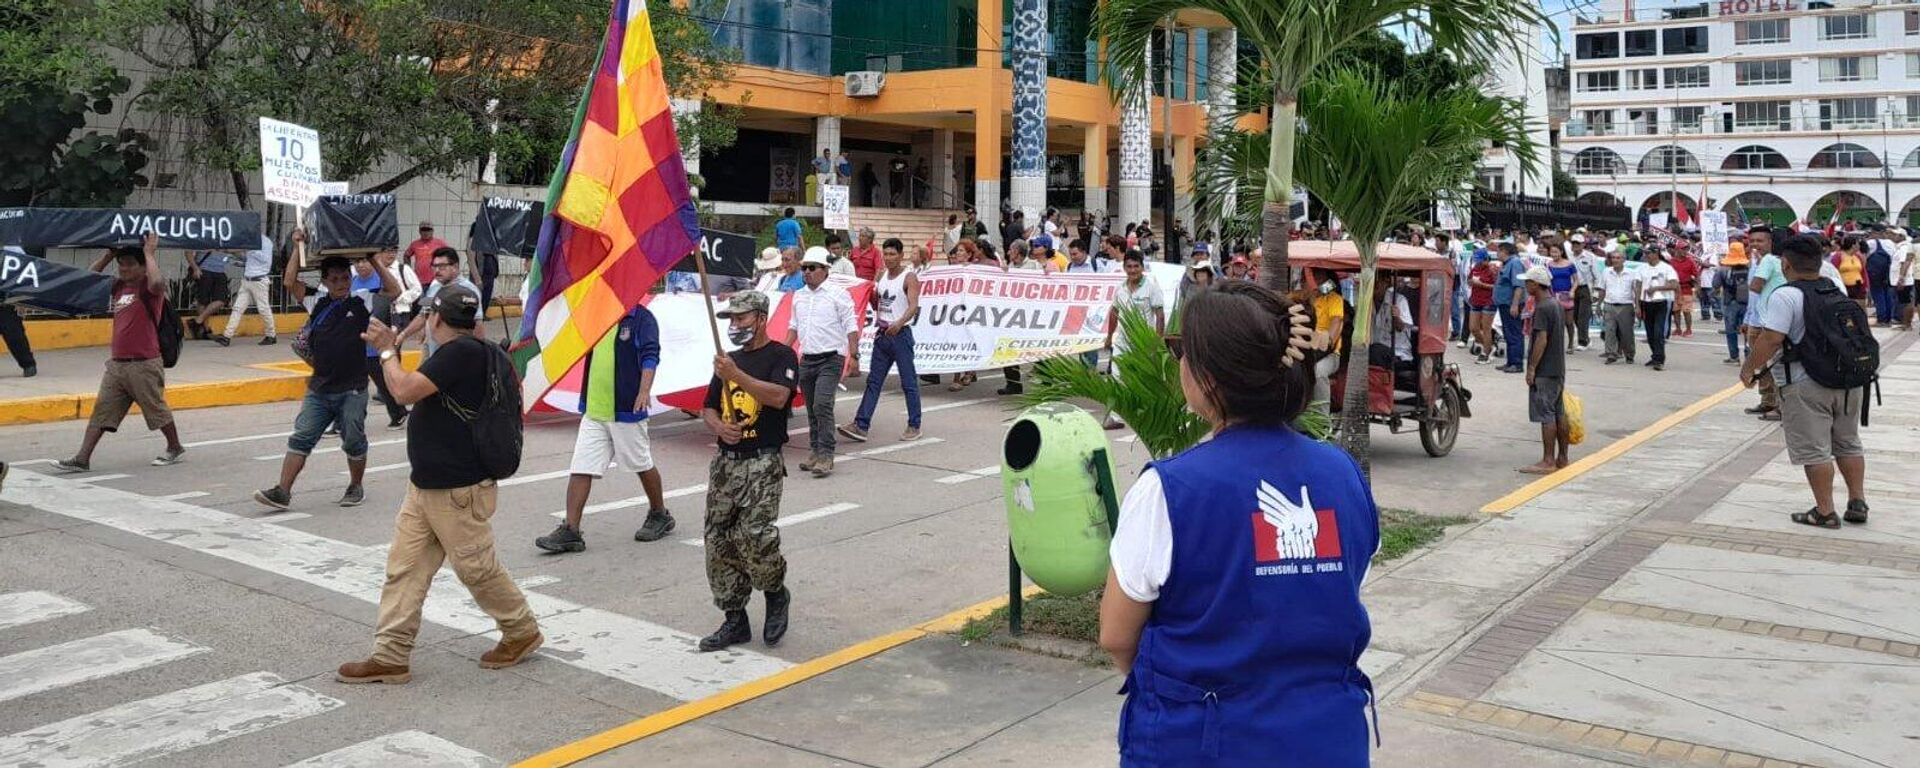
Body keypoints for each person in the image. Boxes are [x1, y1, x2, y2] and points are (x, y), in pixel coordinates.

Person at [1099, 281, 1379, 767]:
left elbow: (1118, 637)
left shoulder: (1169, 490)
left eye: (1180, 351)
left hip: (1201, 744)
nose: (1177, 362)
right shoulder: (1344, 475)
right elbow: (1337, 590)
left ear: (1208, 377)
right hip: (1326, 741)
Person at [337, 284, 543, 684]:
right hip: (428, 485)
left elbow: (403, 389)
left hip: (456, 490)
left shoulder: (461, 353)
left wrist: (385, 349)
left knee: (477, 570)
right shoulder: (474, 351)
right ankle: (391, 655)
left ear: (436, 319)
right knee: (405, 569)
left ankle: (521, 631)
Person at [1739, 234, 1871, 530]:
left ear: (1785, 263)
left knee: (1815, 450)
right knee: (1848, 442)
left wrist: (1749, 369)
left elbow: (1772, 338)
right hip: (1848, 381)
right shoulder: (1834, 287)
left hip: (1806, 382)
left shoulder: (1786, 295)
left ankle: (1825, 512)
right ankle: (1857, 501)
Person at [253, 253, 396, 510]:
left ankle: (355, 485)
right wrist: (298, 247)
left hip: (353, 388)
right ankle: (282, 491)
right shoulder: (316, 301)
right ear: (325, 282)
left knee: (353, 439)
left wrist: (373, 259)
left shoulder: (361, 300)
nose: (341, 283)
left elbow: (394, 290)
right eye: (335, 279)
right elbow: (288, 281)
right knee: (301, 438)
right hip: (319, 388)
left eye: (344, 278)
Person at [535, 301, 675, 553]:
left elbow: (650, 356)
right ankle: (571, 530)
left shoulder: (642, 319)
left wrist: (644, 391)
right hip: (594, 409)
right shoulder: (598, 314)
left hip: (626, 408)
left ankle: (659, 513)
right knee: (581, 466)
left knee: (640, 463)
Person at [701, 290, 796, 651]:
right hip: (726, 463)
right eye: (731, 319)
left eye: (741, 318)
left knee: (756, 536)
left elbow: (778, 397)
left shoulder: (780, 355)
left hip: (762, 461)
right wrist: (717, 427)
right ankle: (734, 618)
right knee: (718, 540)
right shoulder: (728, 360)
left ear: (760, 317)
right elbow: (707, 408)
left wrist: (736, 374)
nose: (735, 325)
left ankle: (775, 592)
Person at [53, 233, 186, 472]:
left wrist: (149, 253)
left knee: (155, 410)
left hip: (143, 362)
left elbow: (158, 283)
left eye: (130, 264)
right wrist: (108, 255)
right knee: (102, 411)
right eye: (121, 264)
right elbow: (88, 280)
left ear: (142, 267)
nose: (124, 268)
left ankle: (174, 446)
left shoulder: (148, 288)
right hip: (117, 364)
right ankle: (82, 458)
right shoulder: (119, 287)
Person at [840, 238, 923, 444]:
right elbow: (878, 303)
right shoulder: (882, 276)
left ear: (901, 255)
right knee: (873, 382)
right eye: (885, 254)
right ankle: (861, 424)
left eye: (893, 254)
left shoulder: (909, 277)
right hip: (882, 334)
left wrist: (900, 321)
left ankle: (914, 425)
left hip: (900, 335)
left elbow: (914, 306)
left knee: (908, 382)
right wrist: (869, 296)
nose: (888, 258)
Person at [788, 247, 859, 477]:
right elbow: (793, 327)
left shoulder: (838, 294)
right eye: (804, 268)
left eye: (812, 268)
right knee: (811, 409)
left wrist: (854, 356)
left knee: (822, 405)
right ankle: (815, 451)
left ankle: (826, 454)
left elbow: (851, 326)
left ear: (825, 270)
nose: (806, 272)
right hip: (807, 359)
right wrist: (780, 350)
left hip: (831, 358)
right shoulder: (799, 295)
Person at [1104, 251, 1166, 429]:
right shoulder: (1120, 288)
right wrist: (1109, 337)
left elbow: (1159, 315)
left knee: (1143, 378)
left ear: (1142, 267)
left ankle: (1149, 414)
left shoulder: (1151, 287)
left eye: (1136, 266)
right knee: (1116, 377)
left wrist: (1157, 341)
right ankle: (1114, 417)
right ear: (1124, 268)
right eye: (1129, 266)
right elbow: (1114, 313)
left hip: (1143, 343)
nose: (1132, 270)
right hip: (1122, 342)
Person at [1521, 266, 1570, 475]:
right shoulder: (1556, 305)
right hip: (1558, 368)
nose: (1525, 285)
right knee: (1559, 412)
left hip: (1545, 369)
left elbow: (1541, 339)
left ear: (1535, 284)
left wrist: (1532, 367)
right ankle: (1562, 457)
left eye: (1527, 282)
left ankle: (1548, 459)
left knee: (1546, 414)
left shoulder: (1542, 307)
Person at [354, 254, 410, 429]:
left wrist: (395, 331)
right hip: (356, 343)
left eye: (364, 261)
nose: (361, 265)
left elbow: (394, 305)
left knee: (383, 383)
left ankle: (398, 413)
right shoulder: (351, 282)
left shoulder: (382, 281)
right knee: (352, 386)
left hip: (377, 343)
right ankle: (345, 420)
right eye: (357, 261)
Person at [397, 247, 480, 357]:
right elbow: (423, 314)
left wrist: (478, 356)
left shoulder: (469, 290)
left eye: (442, 266)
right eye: (434, 266)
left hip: (455, 353)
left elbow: (478, 325)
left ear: (455, 267)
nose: (437, 270)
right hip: (432, 349)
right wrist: (403, 334)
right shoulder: (435, 284)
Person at [217, 233, 278, 347]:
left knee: (263, 309)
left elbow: (265, 259)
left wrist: (250, 249)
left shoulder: (265, 242)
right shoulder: (251, 241)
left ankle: (271, 335)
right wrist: (235, 254)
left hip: (259, 280)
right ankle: (227, 336)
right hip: (247, 280)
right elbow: (248, 258)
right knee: (237, 308)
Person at [1309, 269, 1346, 408]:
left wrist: (1328, 341)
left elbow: (1336, 322)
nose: (1315, 280)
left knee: (1318, 371)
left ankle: (1323, 420)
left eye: (1319, 277)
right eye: (1313, 277)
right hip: (1307, 348)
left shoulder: (1334, 299)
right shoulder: (1308, 299)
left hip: (1329, 353)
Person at [1638, 246, 1678, 371]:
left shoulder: (1666, 268)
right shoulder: (1642, 268)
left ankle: (1659, 360)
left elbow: (1674, 284)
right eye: (1646, 253)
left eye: (1649, 253)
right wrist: (1637, 305)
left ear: (1656, 254)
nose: (1647, 255)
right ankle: (1655, 355)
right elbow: (1638, 286)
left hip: (1661, 302)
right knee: (1649, 333)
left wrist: (1656, 288)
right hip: (1646, 302)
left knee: (1658, 332)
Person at [1598, 249, 1639, 365]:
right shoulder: (1606, 272)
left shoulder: (1631, 273)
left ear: (1623, 260)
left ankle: (1629, 354)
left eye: (1618, 258)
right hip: (1609, 304)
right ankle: (1611, 354)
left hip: (1626, 305)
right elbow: (1602, 289)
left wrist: (1637, 306)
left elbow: (1636, 290)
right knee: (1609, 331)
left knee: (1626, 333)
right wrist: (1599, 305)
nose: (1615, 260)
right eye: (1613, 258)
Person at [1494, 242, 1528, 373]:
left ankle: (1517, 363)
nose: (1497, 254)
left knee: (1514, 333)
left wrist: (1515, 304)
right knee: (1508, 334)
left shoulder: (1515, 263)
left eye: (1499, 251)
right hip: (1504, 305)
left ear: (1505, 251)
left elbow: (1518, 285)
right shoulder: (1507, 264)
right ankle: (1510, 361)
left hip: (1512, 305)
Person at [183, 248, 230, 340]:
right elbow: (188, 251)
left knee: (221, 300)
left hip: (220, 271)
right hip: (204, 270)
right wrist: (195, 268)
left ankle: (197, 321)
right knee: (203, 301)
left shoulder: (226, 238)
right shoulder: (204, 236)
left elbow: (236, 251)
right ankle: (204, 330)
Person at [1719, 242, 1752, 365]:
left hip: (1730, 304)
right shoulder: (1750, 270)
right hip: (1747, 303)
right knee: (1747, 331)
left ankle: (1734, 357)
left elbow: (1715, 285)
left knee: (1731, 330)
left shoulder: (1723, 271)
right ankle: (1749, 357)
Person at [1467, 249, 1500, 364]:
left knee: (1486, 328)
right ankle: (1488, 345)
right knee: (1474, 328)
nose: (1479, 263)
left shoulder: (1493, 269)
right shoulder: (1474, 268)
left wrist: (1482, 285)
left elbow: (1496, 286)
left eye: (1481, 260)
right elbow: (1469, 280)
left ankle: (1486, 353)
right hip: (1476, 300)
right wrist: (1470, 282)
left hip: (1488, 301)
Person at [1546, 245, 1580, 349]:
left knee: (1569, 322)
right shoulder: (1547, 265)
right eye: (1552, 252)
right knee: (1555, 322)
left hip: (1566, 295)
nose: (1554, 255)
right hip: (1553, 295)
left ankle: (1570, 343)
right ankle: (1556, 344)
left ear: (1561, 252)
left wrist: (1572, 291)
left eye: (1556, 252)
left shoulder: (1569, 264)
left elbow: (1576, 280)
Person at [1571, 235, 1599, 350]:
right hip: (1571, 288)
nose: (1575, 246)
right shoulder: (1568, 256)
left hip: (1585, 288)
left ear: (1583, 244)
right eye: (1573, 243)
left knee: (1583, 316)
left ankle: (1582, 342)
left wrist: (1596, 293)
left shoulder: (1590, 257)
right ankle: (1586, 338)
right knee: (1575, 316)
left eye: (1578, 243)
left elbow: (1597, 275)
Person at [403, 222, 449, 287]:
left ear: (432, 231)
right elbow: (406, 255)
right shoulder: (415, 244)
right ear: (419, 231)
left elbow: (449, 255)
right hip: (419, 280)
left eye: (428, 230)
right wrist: (408, 270)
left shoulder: (440, 243)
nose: (426, 232)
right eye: (423, 230)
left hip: (436, 281)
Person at [1669, 245, 1699, 338]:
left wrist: (1697, 287)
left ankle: (1689, 329)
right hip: (1674, 290)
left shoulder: (1690, 261)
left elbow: (1696, 275)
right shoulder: (1671, 262)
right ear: (1677, 250)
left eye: (1686, 249)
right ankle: (1678, 329)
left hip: (1686, 289)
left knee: (1687, 311)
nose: (1685, 251)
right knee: (1676, 311)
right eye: (1683, 249)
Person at [1834, 236, 1867, 312]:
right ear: (1853, 245)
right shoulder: (1838, 256)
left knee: (1860, 308)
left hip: (1858, 285)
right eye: (1858, 244)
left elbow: (1863, 272)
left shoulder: (1858, 257)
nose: (1859, 246)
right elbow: (1834, 271)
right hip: (1844, 287)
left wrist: (1866, 285)